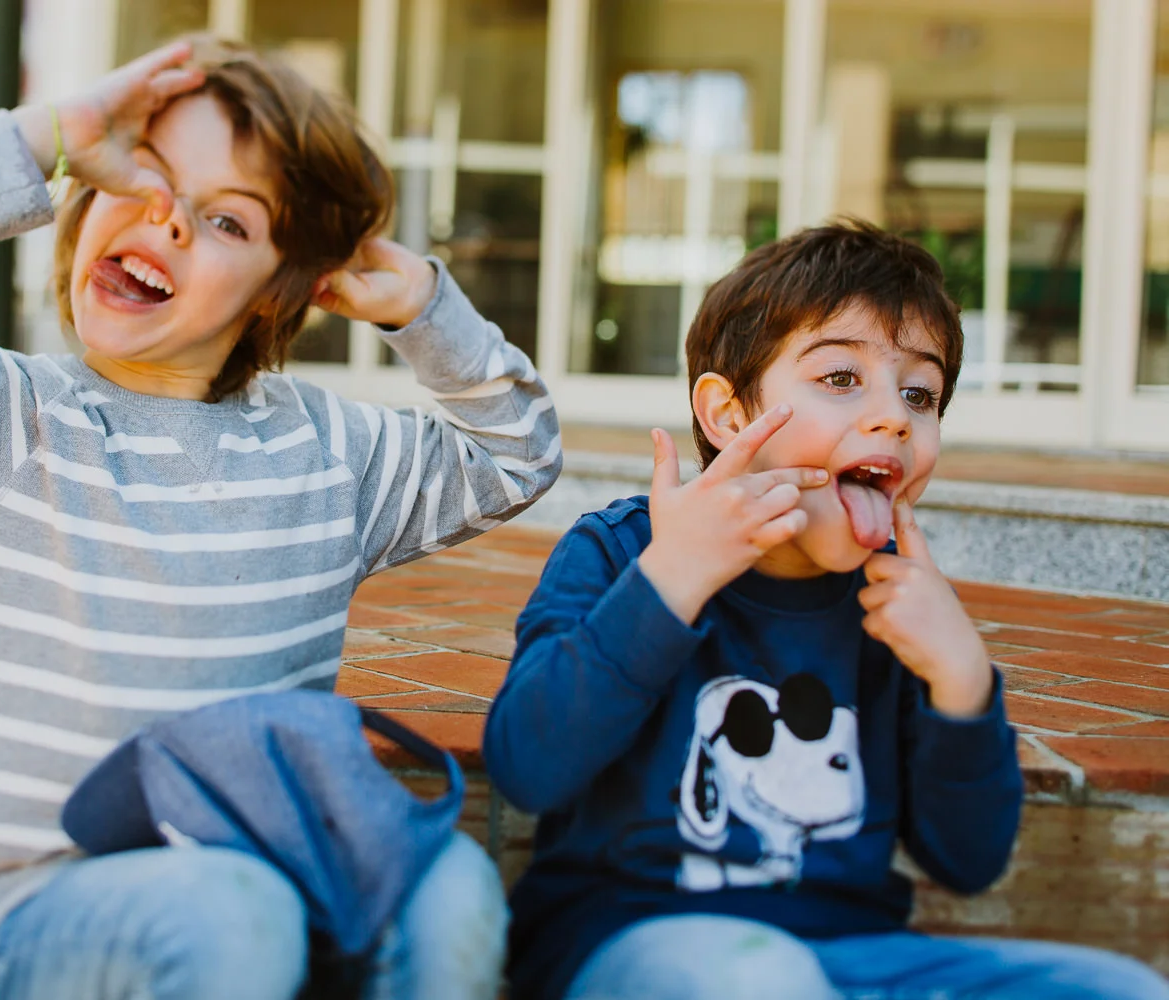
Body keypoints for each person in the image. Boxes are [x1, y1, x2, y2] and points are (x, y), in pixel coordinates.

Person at [0, 36, 560, 1000]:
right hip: (41, 908)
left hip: (269, 878)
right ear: (81, 199)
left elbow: (518, 455)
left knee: (456, 895)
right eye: (140, 174)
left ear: (282, 291)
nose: (167, 220)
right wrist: (44, 138)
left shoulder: (335, 454)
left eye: (227, 220)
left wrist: (427, 310)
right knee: (228, 914)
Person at [482, 221, 1169, 1000]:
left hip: (856, 955)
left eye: (921, 393)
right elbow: (526, 767)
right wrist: (671, 579)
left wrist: (962, 681)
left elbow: (968, 860)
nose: (893, 418)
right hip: (635, 944)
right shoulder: (622, 552)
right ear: (730, 415)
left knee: (1118, 989)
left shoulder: (897, 603)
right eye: (842, 378)